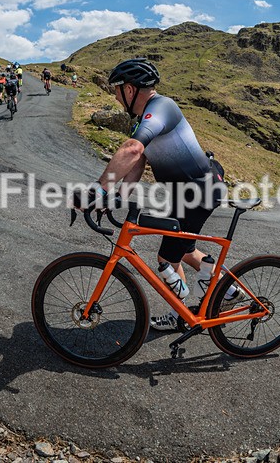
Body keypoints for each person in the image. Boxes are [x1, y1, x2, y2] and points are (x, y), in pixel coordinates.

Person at [73, 58, 228, 331]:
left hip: (197, 192)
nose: (117, 98)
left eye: (117, 91)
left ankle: (180, 313)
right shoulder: (145, 119)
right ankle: (229, 291)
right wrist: (117, 196)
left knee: (167, 258)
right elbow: (139, 161)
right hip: (190, 192)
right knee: (187, 251)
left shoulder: (161, 108)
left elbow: (132, 149)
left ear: (130, 90)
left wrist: (97, 189)